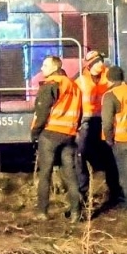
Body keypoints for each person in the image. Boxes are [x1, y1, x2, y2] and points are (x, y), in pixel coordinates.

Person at [30, 55, 85, 220]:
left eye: (45, 65)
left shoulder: (51, 84)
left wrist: (34, 132)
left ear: (55, 68)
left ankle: (42, 212)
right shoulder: (74, 87)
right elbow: (79, 112)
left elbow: (42, 111)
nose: (42, 68)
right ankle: (76, 211)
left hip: (50, 134)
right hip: (69, 135)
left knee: (45, 174)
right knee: (70, 173)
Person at [100, 65, 127, 216]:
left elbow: (106, 123)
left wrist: (109, 139)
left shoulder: (110, 95)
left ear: (109, 79)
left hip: (122, 140)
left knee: (125, 175)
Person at [74, 50, 113, 203]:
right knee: (80, 155)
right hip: (86, 122)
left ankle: (115, 191)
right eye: (96, 62)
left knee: (110, 157)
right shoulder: (81, 81)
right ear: (89, 65)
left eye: (100, 61)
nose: (99, 64)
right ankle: (82, 195)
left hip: (104, 120)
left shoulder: (109, 75)